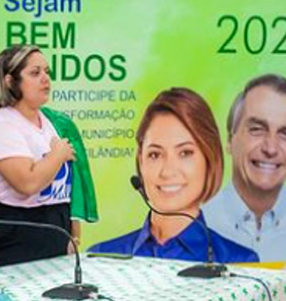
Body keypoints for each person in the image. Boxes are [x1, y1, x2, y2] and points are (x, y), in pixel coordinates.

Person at [90, 88, 258, 263]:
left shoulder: (238, 262)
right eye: (155, 154)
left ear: (210, 159)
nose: (168, 171)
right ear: (141, 162)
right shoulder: (100, 257)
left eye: (185, 153)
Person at [0, 45, 97, 270]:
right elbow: (27, 183)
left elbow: (67, 188)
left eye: (47, 72)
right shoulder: (0, 126)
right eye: (35, 73)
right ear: (10, 82)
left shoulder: (50, 123)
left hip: (55, 233)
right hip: (15, 239)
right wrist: (57, 155)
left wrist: (73, 238)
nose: (45, 79)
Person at [203, 74, 286, 261]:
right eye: (257, 129)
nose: (270, 148)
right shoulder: (198, 223)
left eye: (285, 134)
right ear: (229, 139)